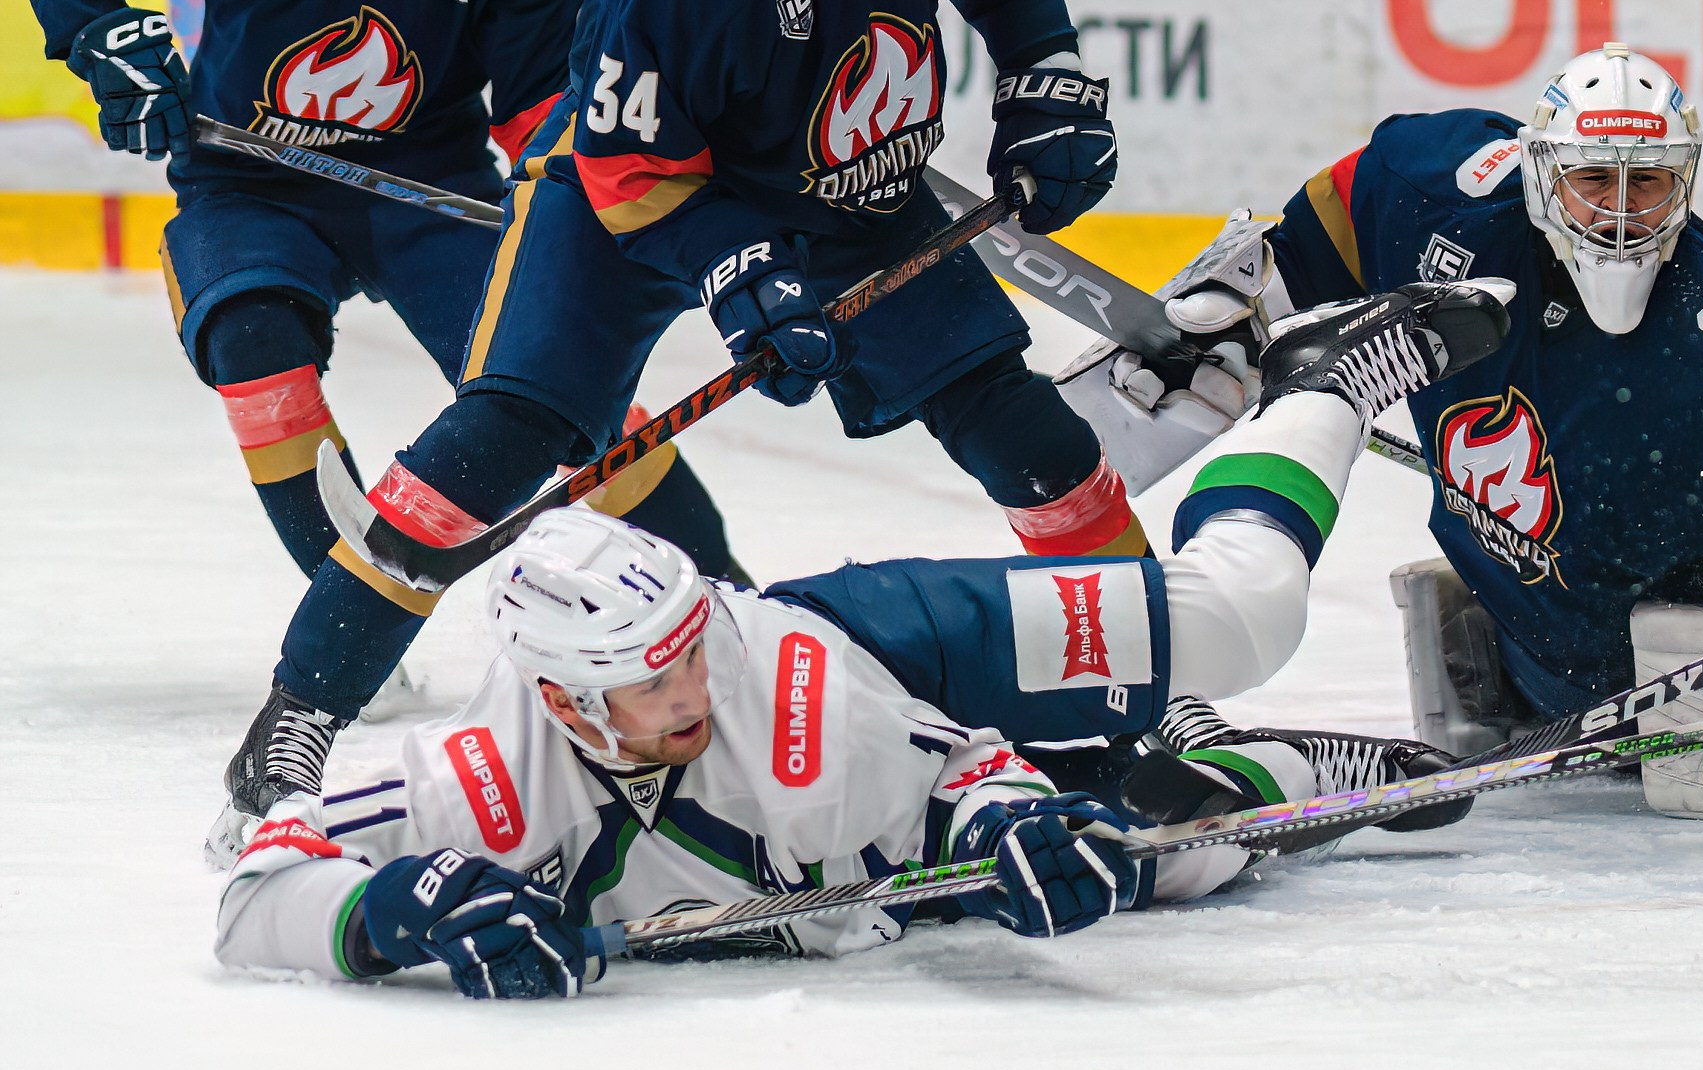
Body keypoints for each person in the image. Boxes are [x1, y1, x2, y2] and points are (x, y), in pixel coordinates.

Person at [286, 0, 1156, 828]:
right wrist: (736, 269)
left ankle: (1157, 700)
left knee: (1029, 436)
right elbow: (629, 167)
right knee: (499, 442)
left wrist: (1044, 75)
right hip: (623, 199)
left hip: (850, 196)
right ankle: (295, 723)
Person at [212, 281, 1512, 997]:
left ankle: (1321, 382)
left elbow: (956, 766)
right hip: (863, 772)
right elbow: (257, 886)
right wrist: (388, 907)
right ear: (561, 700)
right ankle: (1279, 769)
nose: (686, 679)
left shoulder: (774, 685)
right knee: (1167, 847)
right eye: (648, 672)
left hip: (891, 642)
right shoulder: (480, 776)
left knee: (1239, 616)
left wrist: (999, 819)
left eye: (684, 640)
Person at [12, 0, 732, 839]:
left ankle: (725, 593)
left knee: (568, 392)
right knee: (255, 343)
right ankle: (346, 613)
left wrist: (598, 208)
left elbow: (542, 122)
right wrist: (100, 36)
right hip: (249, 177)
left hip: (428, 191)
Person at [1099, 44, 1703, 813]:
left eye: (1645, 182)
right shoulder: (1441, 189)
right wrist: (1240, 300)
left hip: (1652, 696)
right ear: (1538, 169)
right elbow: (1333, 218)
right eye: (1590, 181)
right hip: (1530, 651)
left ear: (1683, 182)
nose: (1616, 212)